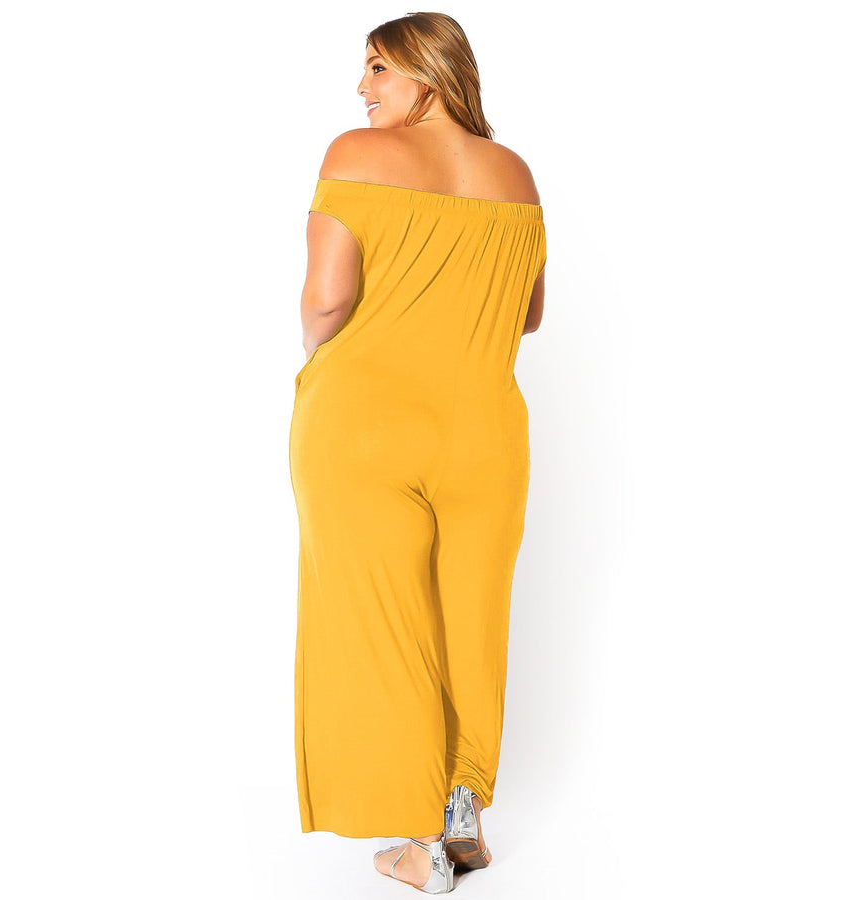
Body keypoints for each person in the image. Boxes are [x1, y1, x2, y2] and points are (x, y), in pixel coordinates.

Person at [288, 12, 547, 894]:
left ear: (427, 73)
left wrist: (323, 350)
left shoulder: (357, 156)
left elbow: (326, 302)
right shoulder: (515, 174)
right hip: (486, 433)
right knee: (471, 621)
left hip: (364, 425)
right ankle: (464, 811)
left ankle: (420, 845)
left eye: (378, 69)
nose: (362, 89)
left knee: (383, 622)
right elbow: (528, 313)